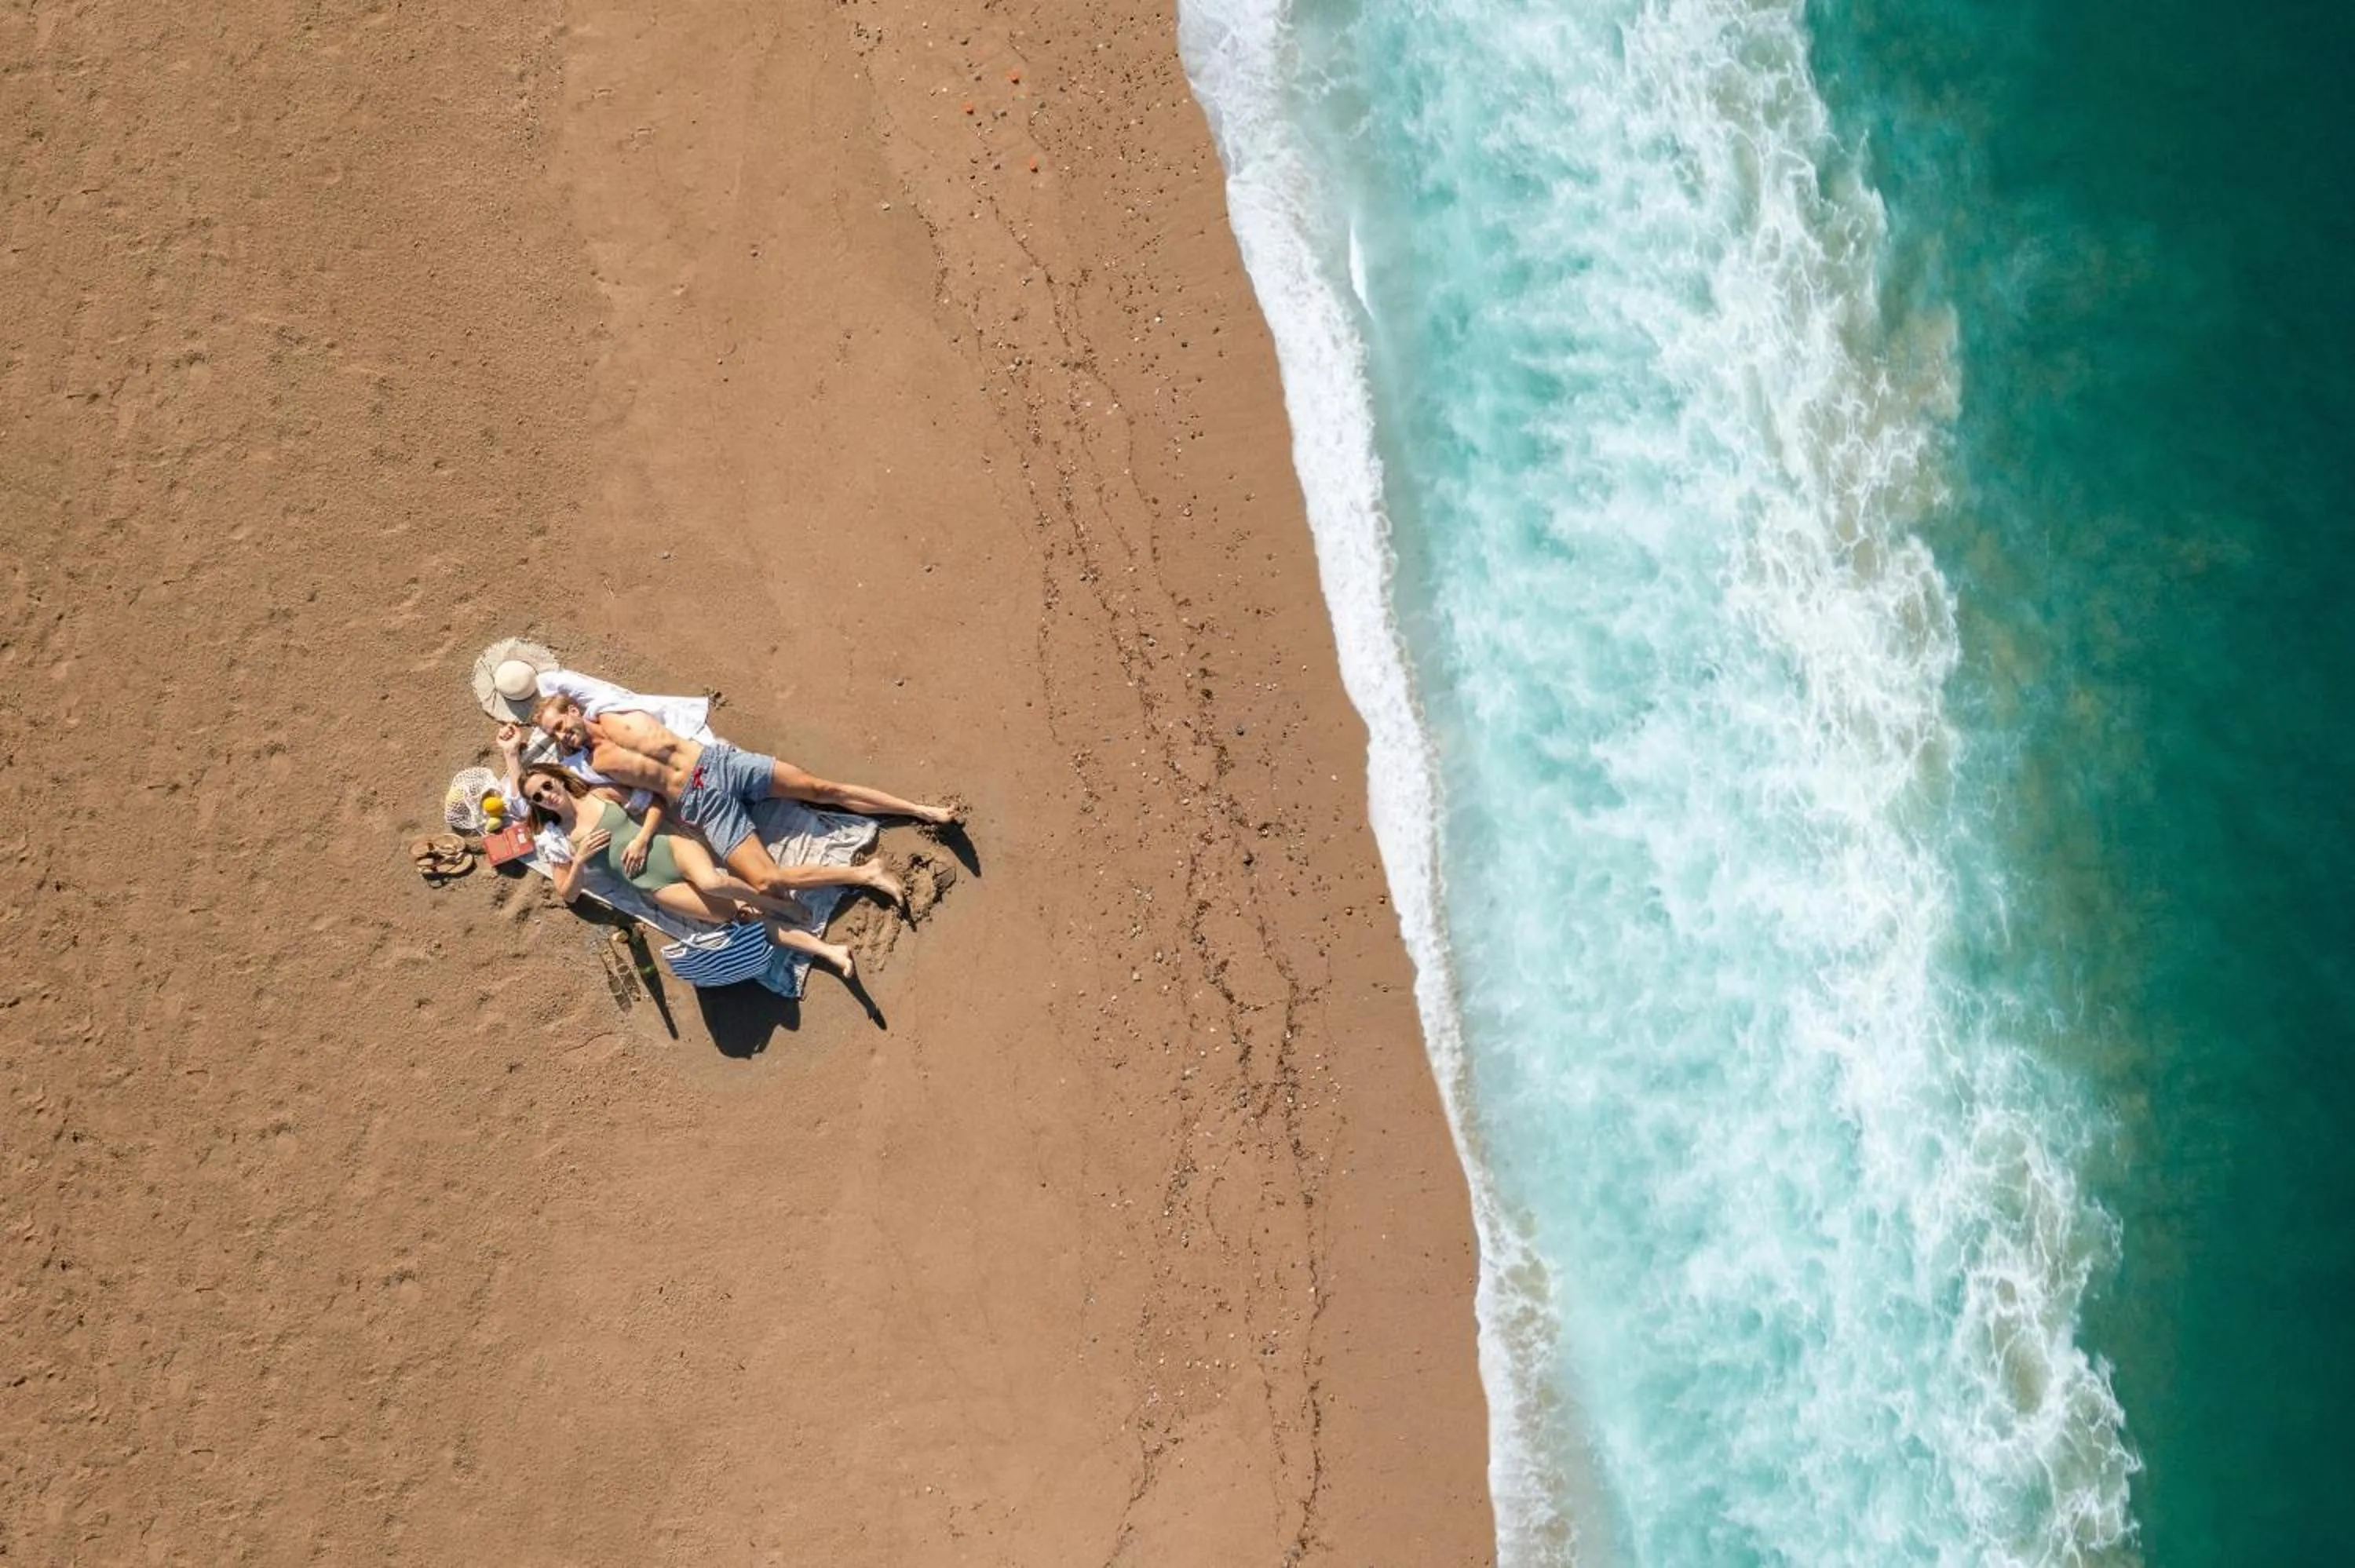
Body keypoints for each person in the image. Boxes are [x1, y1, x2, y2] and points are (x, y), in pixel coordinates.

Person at [522, 690, 959, 910]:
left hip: (720, 764)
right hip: (700, 804)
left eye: (562, 723)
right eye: (554, 734)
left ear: (575, 710)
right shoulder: (584, 767)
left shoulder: (614, 708)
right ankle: (868, 874)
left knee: (820, 788)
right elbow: (532, 790)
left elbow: (561, 680)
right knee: (767, 883)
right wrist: (511, 753)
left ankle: (921, 811)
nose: (562, 735)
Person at [516, 764, 873, 978]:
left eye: (547, 785)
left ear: (557, 778)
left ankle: (781, 906)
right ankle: (829, 952)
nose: (547, 794)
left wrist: (641, 838)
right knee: (740, 919)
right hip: (654, 884)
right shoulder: (556, 839)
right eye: (537, 796)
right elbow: (569, 894)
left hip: (669, 847)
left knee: (713, 881)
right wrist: (579, 861)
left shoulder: (600, 793)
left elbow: (654, 804)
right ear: (536, 805)